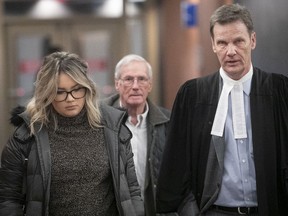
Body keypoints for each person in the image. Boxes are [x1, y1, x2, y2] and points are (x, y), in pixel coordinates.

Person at [156, 3, 288, 216]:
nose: (231, 51)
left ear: (252, 41)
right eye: (222, 43)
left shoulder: (279, 91)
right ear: (213, 45)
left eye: (238, 41)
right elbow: (176, 168)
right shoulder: (193, 96)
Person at [0, 51, 144, 216]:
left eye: (77, 89)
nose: (70, 98)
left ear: (87, 89)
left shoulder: (112, 128)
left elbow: (132, 191)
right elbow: (8, 199)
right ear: (47, 93)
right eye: (60, 92)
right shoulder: (26, 136)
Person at [103, 54, 170, 215]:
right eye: (128, 79)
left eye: (142, 79)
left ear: (150, 85)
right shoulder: (100, 120)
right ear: (117, 84)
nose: (135, 86)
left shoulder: (168, 122)